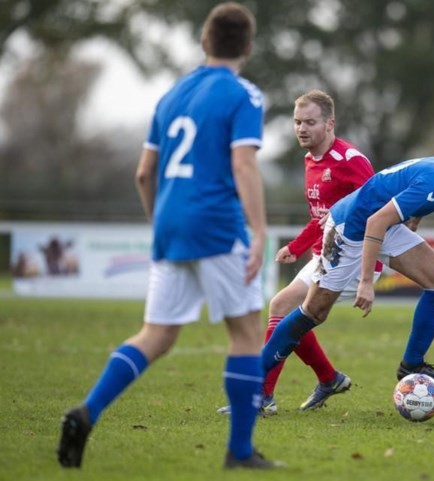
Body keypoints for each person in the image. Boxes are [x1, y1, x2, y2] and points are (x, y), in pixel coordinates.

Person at [56, 2, 283, 470]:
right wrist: (258, 231)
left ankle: (87, 411)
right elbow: (243, 163)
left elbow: (144, 173)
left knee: (156, 334)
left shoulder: (172, 96)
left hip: (170, 222)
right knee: (244, 333)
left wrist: (160, 222)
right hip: (217, 223)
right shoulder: (244, 95)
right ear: (248, 46)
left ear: (204, 41)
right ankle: (240, 452)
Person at [261, 137, 434, 388]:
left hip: (384, 224)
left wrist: (414, 219)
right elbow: (375, 222)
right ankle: (251, 381)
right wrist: (366, 282)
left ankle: (412, 364)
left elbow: (403, 192)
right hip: (351, 227)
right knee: (314, 312)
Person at [218, 89, 382, 416]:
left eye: (310, 122)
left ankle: (263, 396)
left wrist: (368, 271)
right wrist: (296, 247)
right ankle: (328, 378)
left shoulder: (351, 161)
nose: (301, 129)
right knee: (286, 310)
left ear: (330, 124)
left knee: (287, 308)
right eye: (297, 122)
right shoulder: (310, 160)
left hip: (351, 258)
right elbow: (321, 217)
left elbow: (380, 209)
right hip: (325, 255)